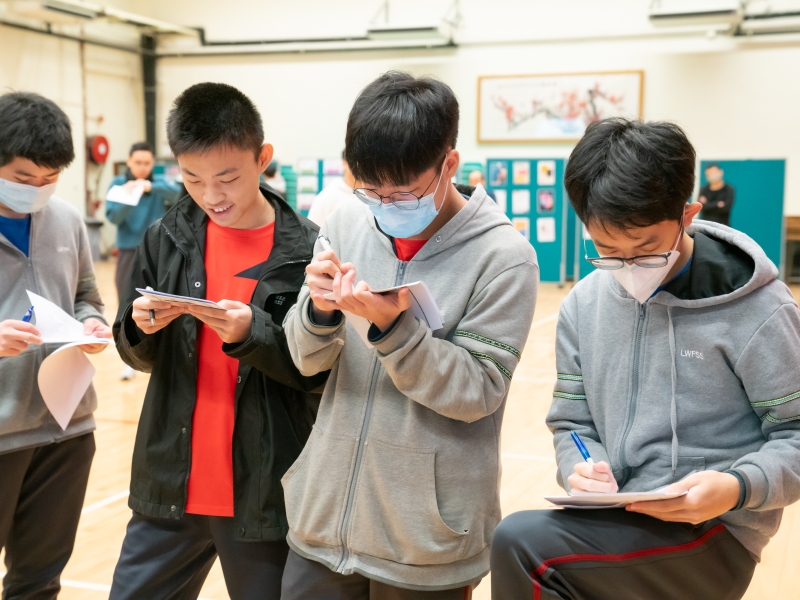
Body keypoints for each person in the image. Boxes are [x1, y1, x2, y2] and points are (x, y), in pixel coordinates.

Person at [490, 118, 800, 600]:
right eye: (607, 250)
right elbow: (572, 422)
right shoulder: (583, 305)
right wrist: (579, 467)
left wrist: (735, 486)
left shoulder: (758, 309)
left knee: (522, 544)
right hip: (616, 516)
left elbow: (794, 434)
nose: (630, 267)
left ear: (687, 214)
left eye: (648, 249)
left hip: (714, 529)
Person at [281, 72, 540, 599]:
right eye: (370, 189)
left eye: (403, 192)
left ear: (449, 164)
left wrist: (393, 329)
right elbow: (305, 360)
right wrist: (320, 311)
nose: (384, 204)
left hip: (426, 540)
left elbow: (478, 392)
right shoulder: (346, 222)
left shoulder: (504, 258)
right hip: (324, 519)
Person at [109, 83, 327, 600]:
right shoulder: (165, 236)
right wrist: (139, 327)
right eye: (192, 178)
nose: (211, 196)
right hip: (170, 483)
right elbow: (132, 347)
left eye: (227, 178)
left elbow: (317, 373)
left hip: (262, 492)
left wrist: (254, 336)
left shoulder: (308, 249)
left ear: (262, 158)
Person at [0, 91, 113, 599]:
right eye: (23, 178)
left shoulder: (66, 219)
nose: (36, 190)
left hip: (67, 429)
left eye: (49, 179)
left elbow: (86, 295)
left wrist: (92, 325)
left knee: (40, 582)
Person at [106, 141, 181, 380]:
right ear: (129, 161)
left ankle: (162, 353)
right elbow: (114, 218)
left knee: (163, 301)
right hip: (128, 250)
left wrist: (148, 186)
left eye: (147, 163)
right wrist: (131, 195)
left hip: (158, 252)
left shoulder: (158, 184)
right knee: (126, 301)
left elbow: (177, 193)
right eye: (138, 162)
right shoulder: (118, 184)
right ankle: (130, 356)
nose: (142, 167)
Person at [307, 152, 357, 226]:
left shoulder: (371, 195)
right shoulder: (327, 197)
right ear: (344, 163)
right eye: (356, 162)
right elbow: (312, 230)